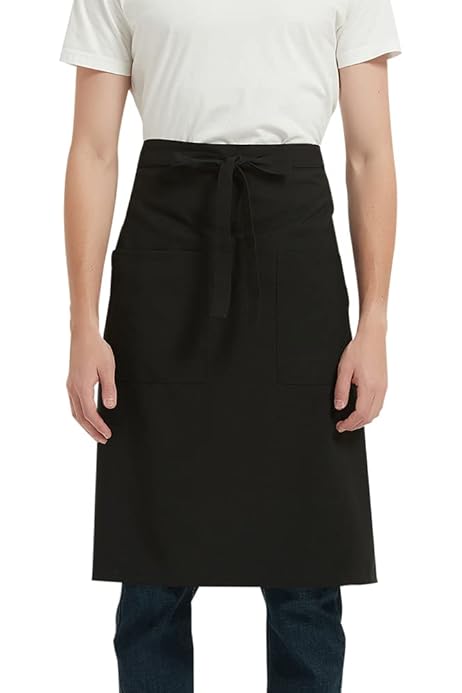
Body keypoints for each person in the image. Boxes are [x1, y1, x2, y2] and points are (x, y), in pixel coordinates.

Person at [59, 0, 401, 690]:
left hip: (295, 256)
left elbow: (369, 156)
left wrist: (375, 324)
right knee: (152, 568)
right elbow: (93, 150)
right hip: (164, 256)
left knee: (306, 566)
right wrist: (82, 324)